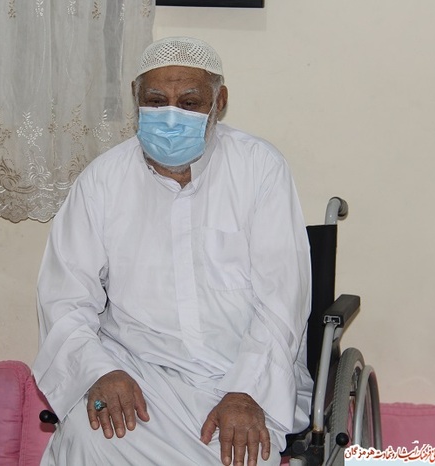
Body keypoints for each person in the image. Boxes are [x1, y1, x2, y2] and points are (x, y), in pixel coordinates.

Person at [32, 36, 313, 466]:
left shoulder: (259, 169)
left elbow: (282, 298)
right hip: (137, 376)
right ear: (135, 97)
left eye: (189, 102)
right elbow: (64, 298)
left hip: (240, 376)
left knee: (242, 455)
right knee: (88, 441)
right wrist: (100, 371)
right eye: (156, 100)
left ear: (219, 102)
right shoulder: (102, 181)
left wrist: (246, 391)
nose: (170, 115)